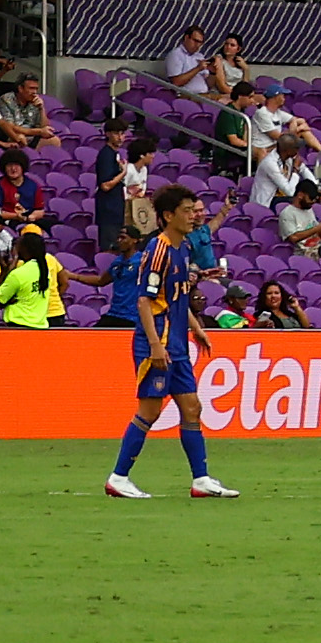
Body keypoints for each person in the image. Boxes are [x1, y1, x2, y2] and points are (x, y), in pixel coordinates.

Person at [104, 179, 234, 503]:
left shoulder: (184, 247)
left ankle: (201, 479)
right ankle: (118, 477)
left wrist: (195, 327)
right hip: (157, 341)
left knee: (192, 407)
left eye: (194, 210)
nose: (194, 216)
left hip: (176, 342)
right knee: (150, 410)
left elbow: (177, 296)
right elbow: (145, 301)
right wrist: (155, 344)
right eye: (187, 211)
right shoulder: (157, 250)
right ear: (167, 215)